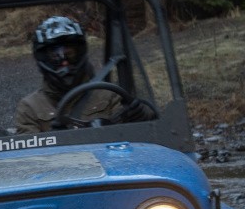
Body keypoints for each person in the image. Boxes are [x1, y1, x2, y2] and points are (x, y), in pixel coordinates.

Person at [15, 16, 156, 134]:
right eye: (56, 56)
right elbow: (28, 155)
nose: (64, 62)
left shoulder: (109, 95)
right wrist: (55, 140)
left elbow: (137, 142)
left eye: (69, 54)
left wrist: (142, 117)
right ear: (44, 59)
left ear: (80, 53)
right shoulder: (30, 107)